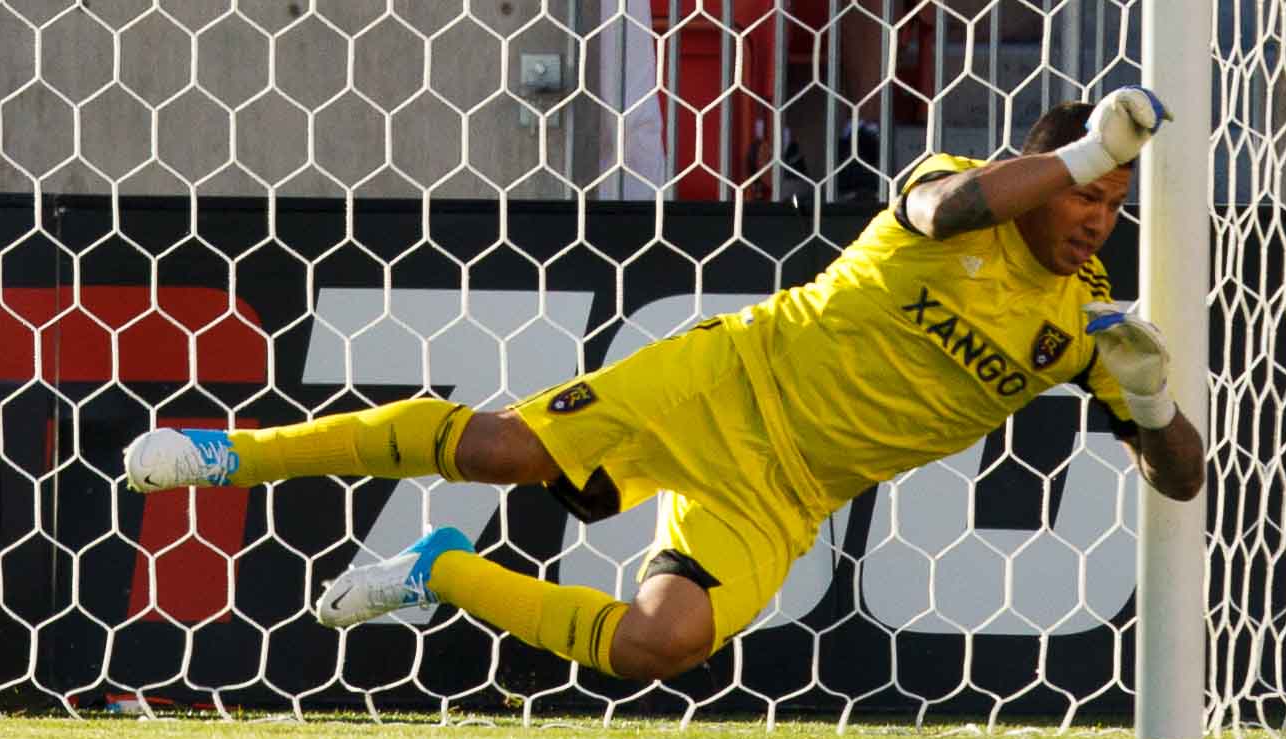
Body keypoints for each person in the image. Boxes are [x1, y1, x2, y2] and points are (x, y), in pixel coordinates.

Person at [123, 87, 1204, 683]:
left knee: (658, 646)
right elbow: (943, 213)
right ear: (1044, 180)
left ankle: (439, 572)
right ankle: (231, 455)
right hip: (722, 383)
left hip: (779, 497)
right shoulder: (949, 195)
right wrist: (1077, 153)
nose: (1095, 219)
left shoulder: (1083, 330)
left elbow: (1180, 481)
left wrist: (1151, 405)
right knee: (503, 450)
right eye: (1085, 195)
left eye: (1111, 204)